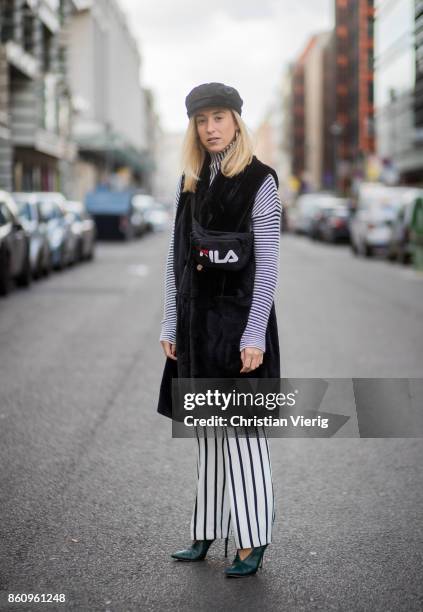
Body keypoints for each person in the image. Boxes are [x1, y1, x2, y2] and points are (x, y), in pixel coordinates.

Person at [157, 82, 281, 577]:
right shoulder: (189, 182)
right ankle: (205, 531)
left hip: (237, 331)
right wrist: (170, 318)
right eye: (201, 120)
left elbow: (267, 267)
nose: (210, 128)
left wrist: (254, 334)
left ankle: (253, 540)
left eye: (219, 118)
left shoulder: (260, 181)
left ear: (236, 121)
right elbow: (176, 260)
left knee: (244, 438)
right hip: (193, 328)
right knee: (208, 434)